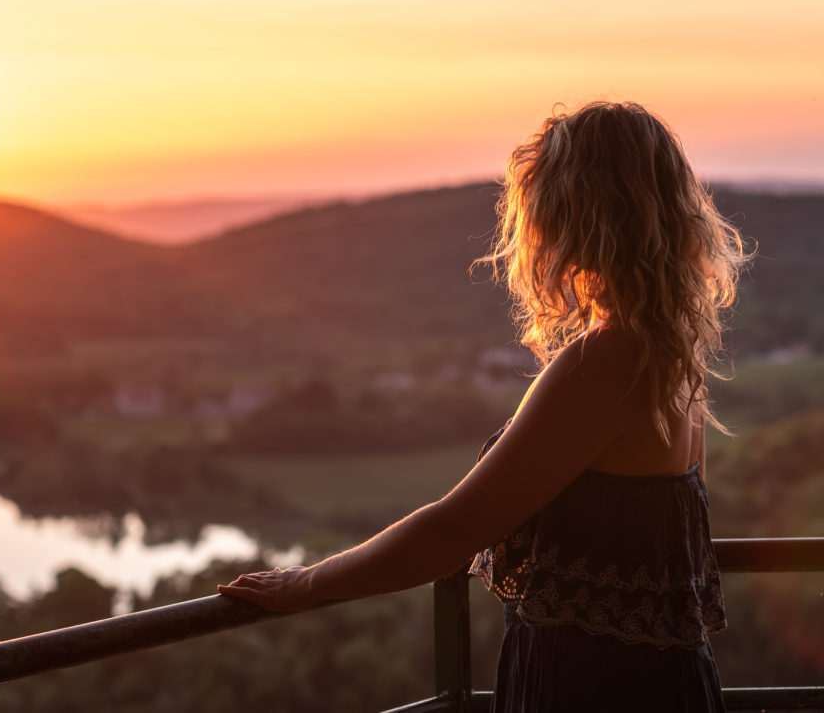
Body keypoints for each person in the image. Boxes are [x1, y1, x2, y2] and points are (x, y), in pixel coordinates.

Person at [218, 101, 747, 712]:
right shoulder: (670, 354)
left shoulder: (602, 363)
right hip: (661, 681)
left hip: (592, 684)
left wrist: (306, 582)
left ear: (576, 213)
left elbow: (457, 529)